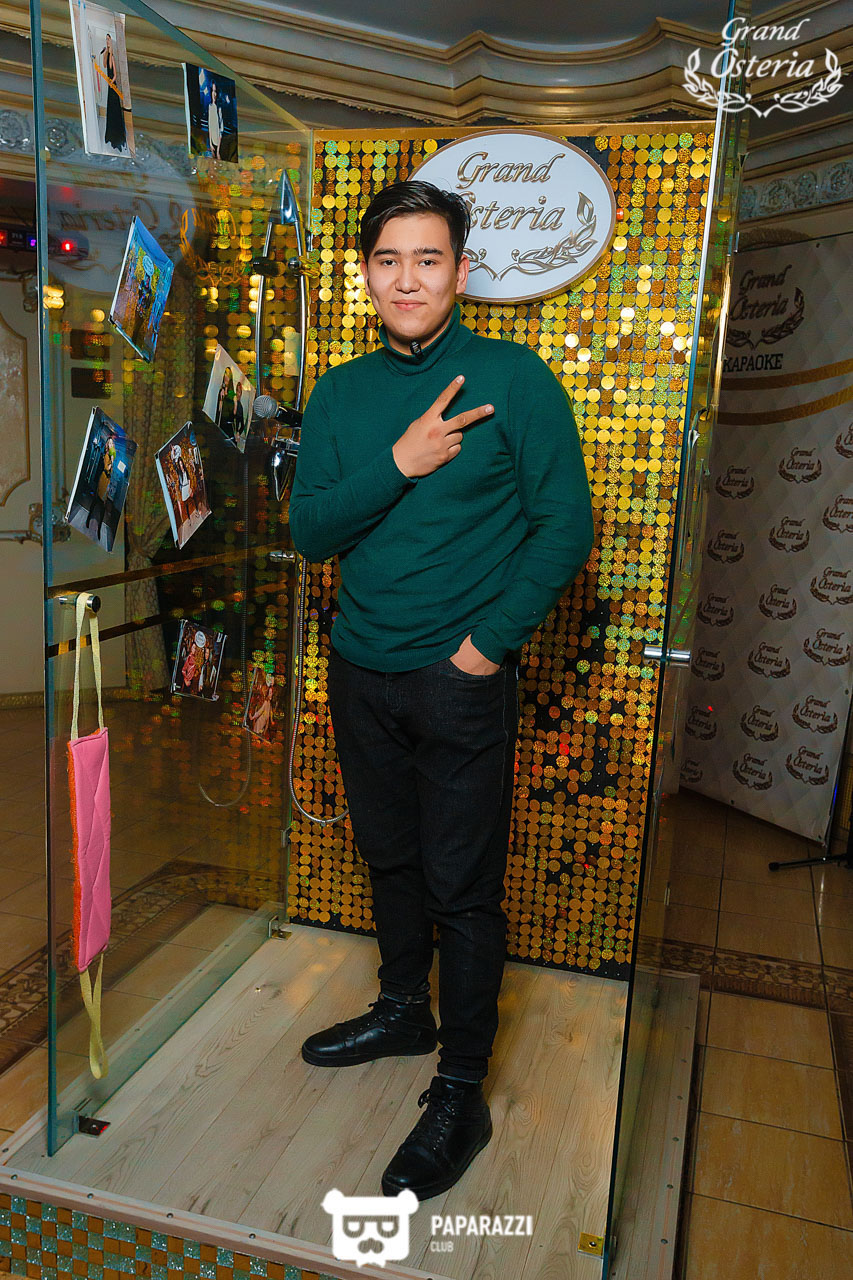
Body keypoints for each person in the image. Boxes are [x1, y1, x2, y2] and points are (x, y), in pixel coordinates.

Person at [289, 180, 593, 1201]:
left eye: (428, 259)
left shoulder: (513, 377)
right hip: (359, 670)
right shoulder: (340, 393)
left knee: (461, 890)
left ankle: (460, 1087)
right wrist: (401, 460)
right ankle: (400, 1010)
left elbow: (564, 525)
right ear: (366, 275)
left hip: (458, 681)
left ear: (461, 272)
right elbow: (311, 531)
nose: (407, 279)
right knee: (389, 857)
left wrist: (484, 649)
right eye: (388, 260)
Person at [98, 33, 126, 152]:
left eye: (108, 40)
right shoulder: (108, 54)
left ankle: (117, 135)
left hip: (112, 84)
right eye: (106, 40)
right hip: (110, 84)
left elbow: (114, 73)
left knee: (114, 106)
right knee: (111, 106)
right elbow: (104, 65)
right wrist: (105, 53)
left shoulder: (112, 56)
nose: (107, 41)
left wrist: (111, 82)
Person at [207, 79, 222, 160]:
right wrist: (210, 144)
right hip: (212, 142)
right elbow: (210, 126)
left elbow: (221, 131)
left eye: (215, 91)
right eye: (213, 91)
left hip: (219, 143)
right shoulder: (210, 107)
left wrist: (218, 151)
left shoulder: (219, 109)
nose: (214, 94)